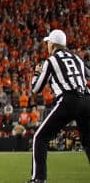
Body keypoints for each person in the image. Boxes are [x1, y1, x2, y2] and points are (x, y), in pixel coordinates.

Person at [26, 29, 90, 183]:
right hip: (87, 100)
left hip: (68, 100)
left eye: (48, 43)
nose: (47, 45)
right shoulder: (77, 59)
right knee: (89, 142)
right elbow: (87, 73)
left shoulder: (51, 61)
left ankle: (39, 179)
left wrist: (36, 73)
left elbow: (36, 89)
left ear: (52, 44)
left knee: (39, 138)